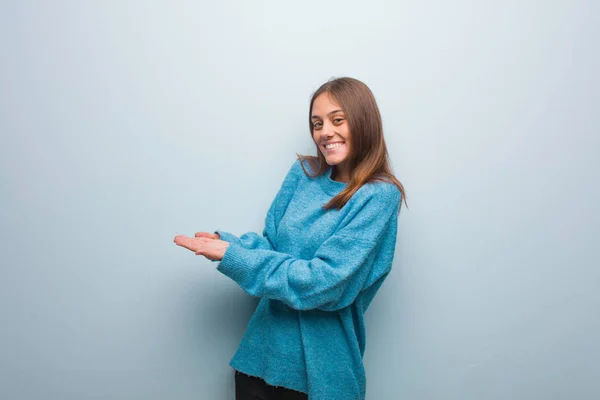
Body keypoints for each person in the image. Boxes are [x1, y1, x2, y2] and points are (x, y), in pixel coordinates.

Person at [174, 77, 407, 400]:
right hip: (257, 359)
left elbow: (324, 284)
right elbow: (271, 245)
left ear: (364, 121)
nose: (324, 132)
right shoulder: (303, 173)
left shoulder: (379, 196)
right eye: (317, 124)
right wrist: (229, 245)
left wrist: (236, 257)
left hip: (319, 376)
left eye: (337, 120)